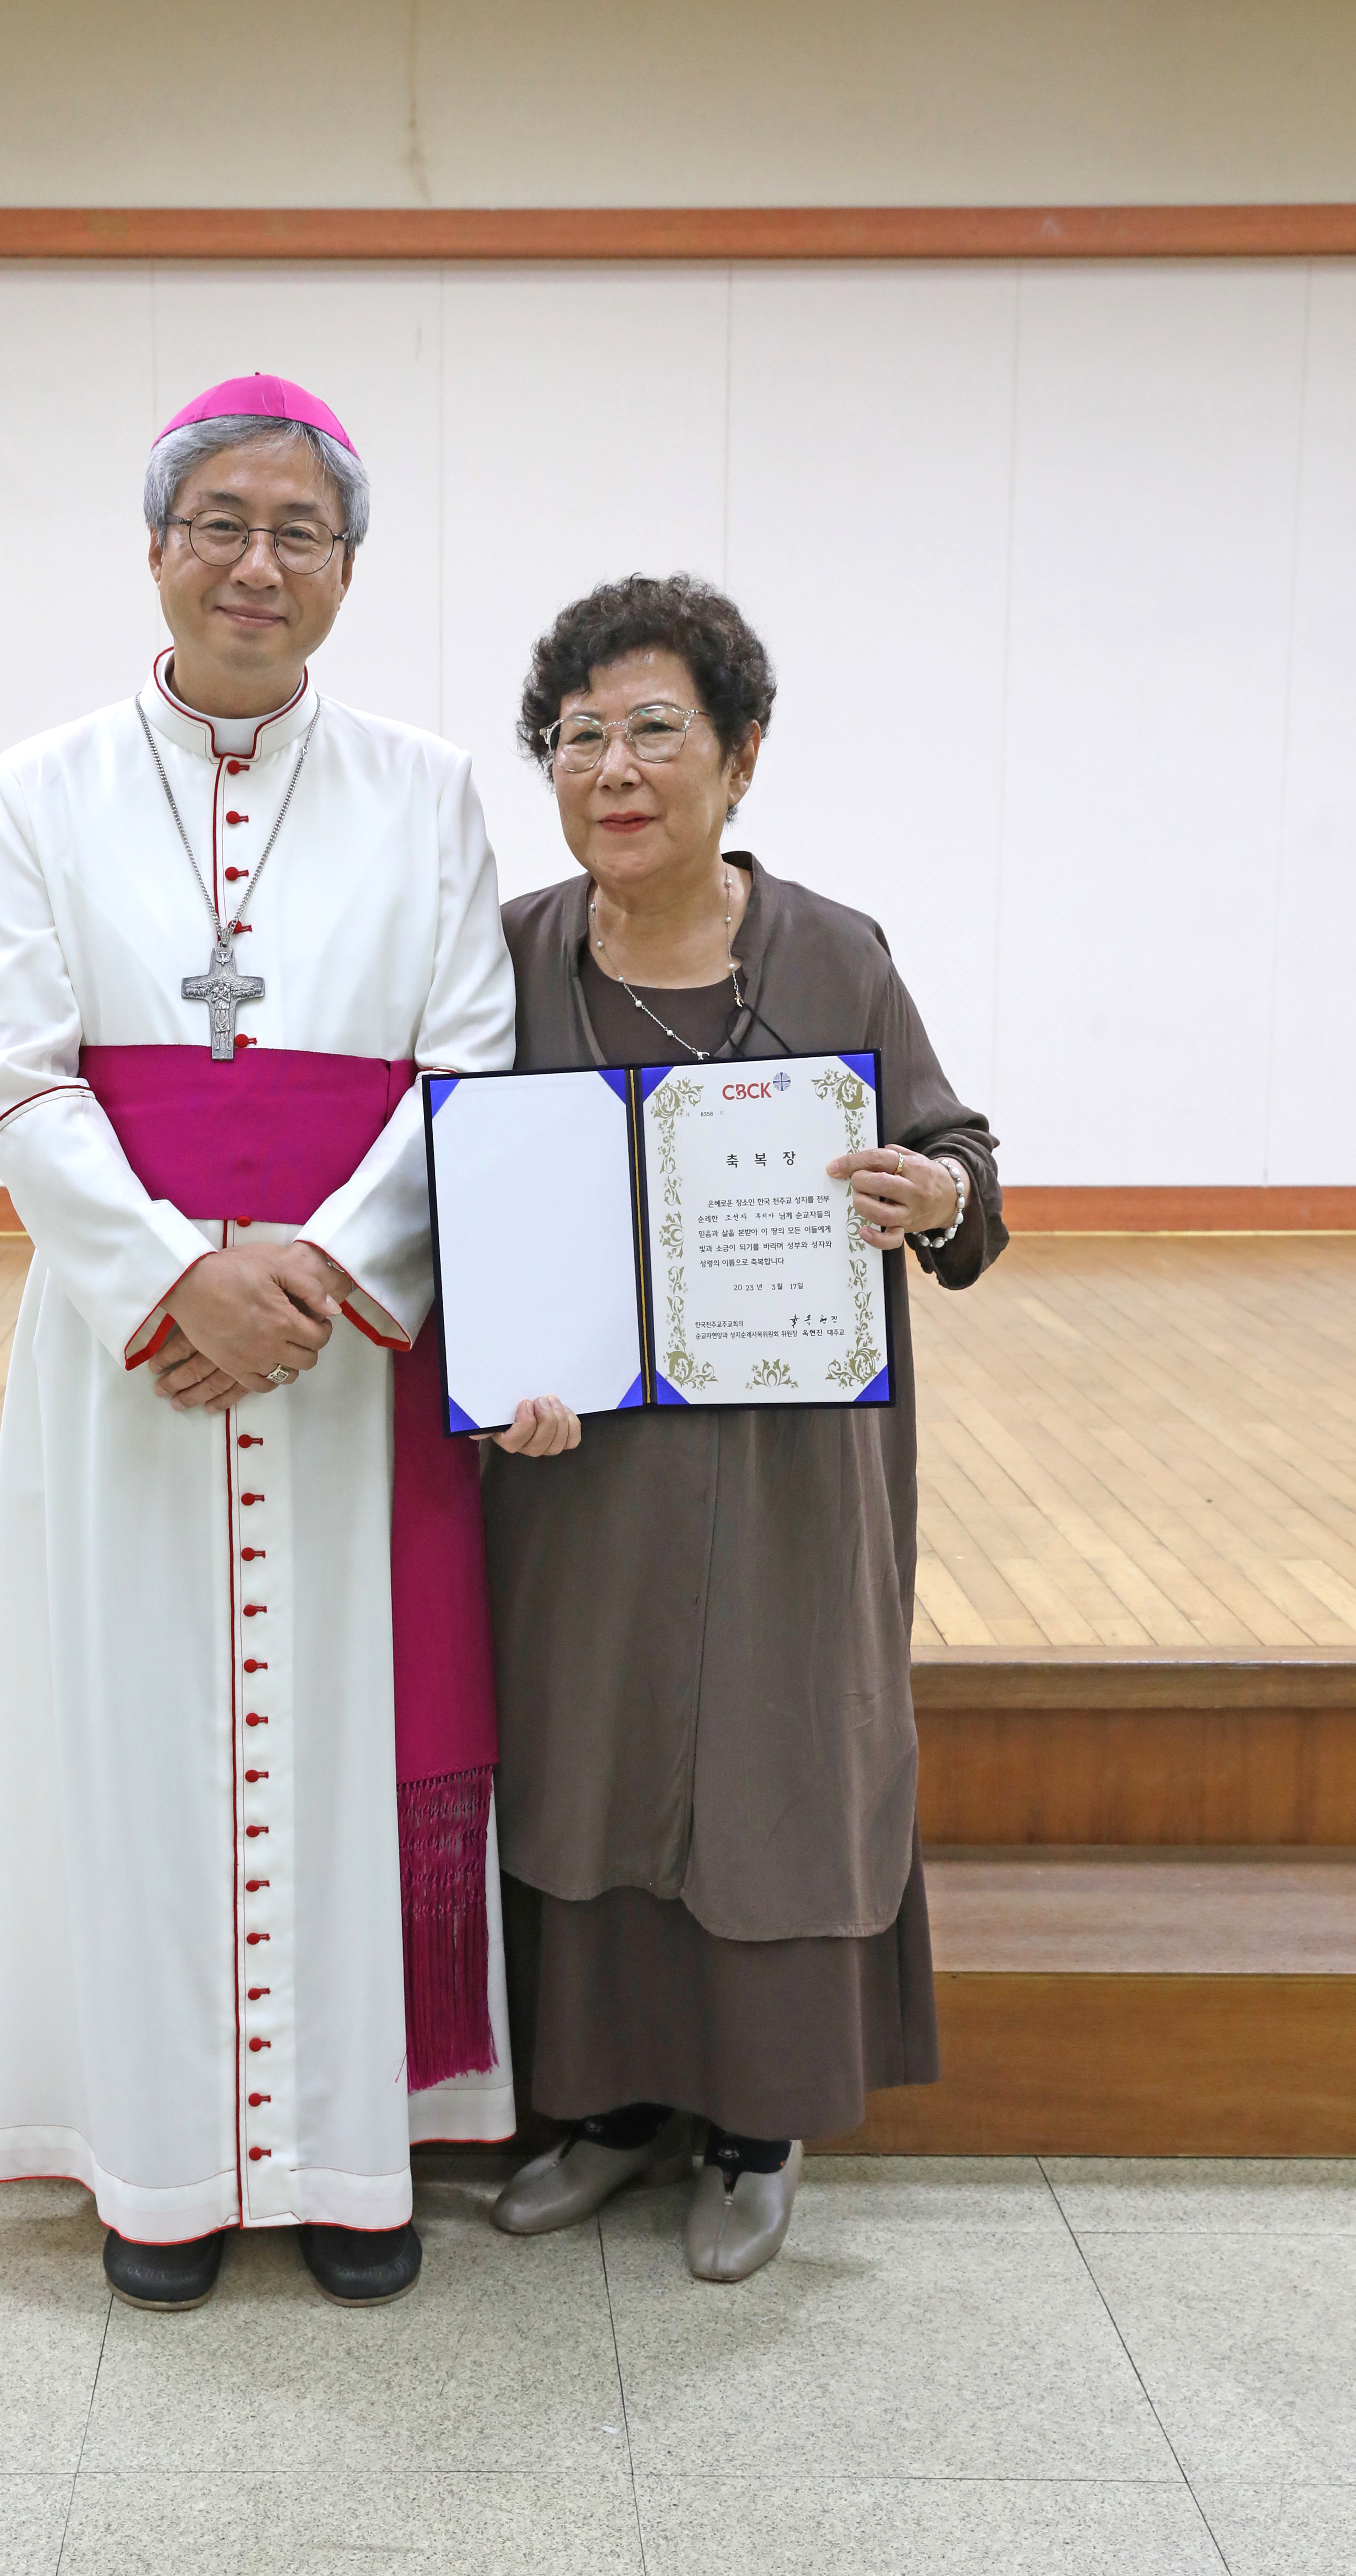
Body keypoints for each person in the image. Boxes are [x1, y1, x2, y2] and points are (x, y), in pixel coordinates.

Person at [0, 374, 518, 2314]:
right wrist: (173, 1279)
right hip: (132, 1362)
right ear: (161, 546)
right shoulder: (41, 790)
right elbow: (16, 1081)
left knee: (347, 1740)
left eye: (301, 534)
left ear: (348, 572)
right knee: (142, 1739)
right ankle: (160, 2170)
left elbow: (468, 1079)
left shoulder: (434, 791)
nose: (258, 564)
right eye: (223, 524)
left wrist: (316, 1284)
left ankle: (358, 2161)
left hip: (347, 1372)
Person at [482, 574, 1007, 2282]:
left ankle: (755, 2127)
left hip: (791, 1467)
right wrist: (498, 1378)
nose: (615, 769)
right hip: (589, 1470)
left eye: (656, 732)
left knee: (776, 1760)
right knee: (592, 1756)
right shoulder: (512, 959)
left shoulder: (835, 952)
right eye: (580, 738)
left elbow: (968, 1184)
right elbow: (469, 1212)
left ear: (742, 755)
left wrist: (930, 1192)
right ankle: (616, 2108)